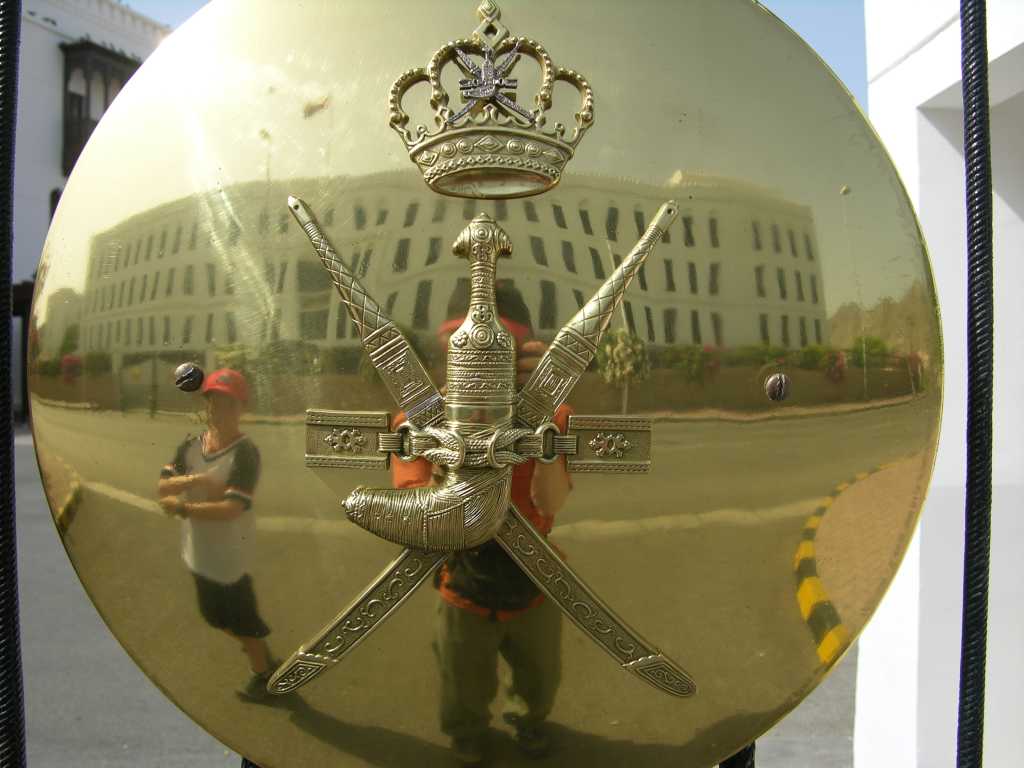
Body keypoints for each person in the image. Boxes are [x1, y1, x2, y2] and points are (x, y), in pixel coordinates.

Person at [392, 282, 572, 766]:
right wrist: (453, 440)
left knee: (540, 675)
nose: (483, 366)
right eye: (467, 349)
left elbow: (551, 502)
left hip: (534, 574)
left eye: (502, 353)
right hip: (461, 577)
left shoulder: (550, 416)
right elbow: (419, 514)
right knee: (461, 679)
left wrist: (539, 430)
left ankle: (528, 722)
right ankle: (468, 736)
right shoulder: (419, 418)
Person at [157, 368, 275, 702]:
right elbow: (163, 485)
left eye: (228, 404)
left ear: (241, 408)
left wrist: (183, 509)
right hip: (197, 550)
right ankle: (259, 653)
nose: (218, 410)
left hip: (230, 556)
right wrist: (196, 482)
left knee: (243, 620)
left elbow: (232, 509)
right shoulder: (191, 446)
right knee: (213, 616)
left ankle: (263, 673)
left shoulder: (245, 452)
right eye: (213, 402)